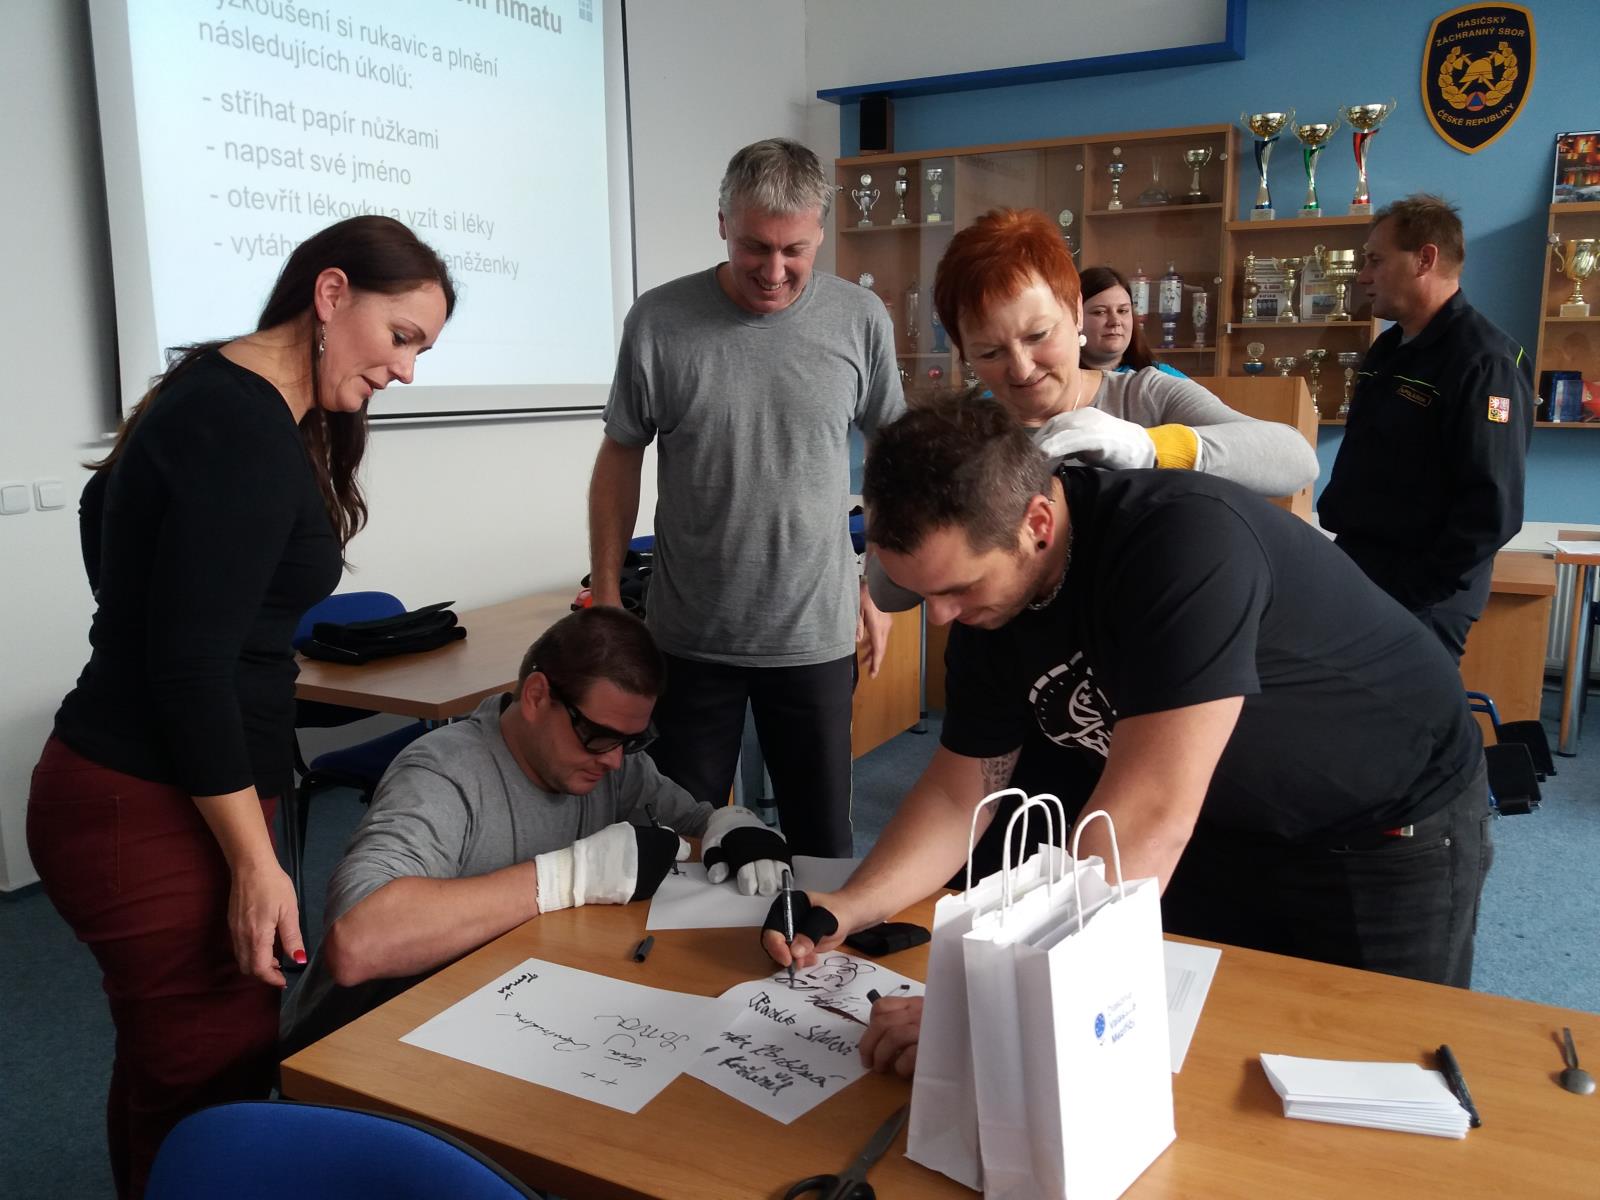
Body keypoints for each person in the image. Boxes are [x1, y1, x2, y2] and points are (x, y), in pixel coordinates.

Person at [771, 399, 1490, 1078]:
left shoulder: (1181, 543)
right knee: (1198, 1057)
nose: (940, 617)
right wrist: (853, 903)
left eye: (957, 588)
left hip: (1384, 820)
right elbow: (963, 791)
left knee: (1381, 1071)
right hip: (1229, 823)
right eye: (925, 594)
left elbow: (1145, 816)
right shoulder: (989, 607)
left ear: (1037, 523)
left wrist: (989, 1010)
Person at [27, 216, 455, 1197]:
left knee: (167, 1063)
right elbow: (189, 669)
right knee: (211, 1072)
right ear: (332, 293)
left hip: (144, 785)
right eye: (401, 337)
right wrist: (258, 864)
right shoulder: (243, 428)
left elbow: (109, 533)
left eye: (421, 352)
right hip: (147, 801)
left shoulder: (216, 394)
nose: (404, 371)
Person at [868, 208, 1321, 872]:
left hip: (1156, 703)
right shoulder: (972, 437)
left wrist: (1154, 447)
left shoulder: (1146, 396)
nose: (1021, 369)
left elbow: (1293, 458)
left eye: (1038, 336)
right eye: (990, 352)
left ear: (1075, 313)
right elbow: (891, 587)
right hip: (1041, 717)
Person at [586, 138, 904, 857]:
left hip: (815, 632)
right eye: (755, 246)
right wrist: (606, 594)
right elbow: (621, 451)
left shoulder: (860, 319)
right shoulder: (659, 321)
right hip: (689, 636)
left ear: (820, 231)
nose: (775, 270)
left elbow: (895, 453)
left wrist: (879, 582)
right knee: (681, 843)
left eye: (796, 250)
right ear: (723, 223)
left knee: (822, 844)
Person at [281, 608, 790, 1055]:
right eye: (598, 737)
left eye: (632, 741)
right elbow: (359, 944)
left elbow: (697, 827)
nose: (614, 760)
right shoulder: (442, 774)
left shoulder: (611, 762)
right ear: (536, 695)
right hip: (367, 1049)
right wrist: (567, 877)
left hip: (503, 1012)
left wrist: (732, 826)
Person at [1319, 194, 1534, 662]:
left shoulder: (1485, 361)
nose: (1362, 276)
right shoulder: (1389, 349)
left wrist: (1418, 591)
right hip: (1363, 566)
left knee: (1402, 704)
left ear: (1425, 259)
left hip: (1423, 593)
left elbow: (1491, 508)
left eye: (1375, 260)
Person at [1078, 264, 1186, 378]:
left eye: (1122, 311)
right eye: (1100, 312)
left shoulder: (1161, 377)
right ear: (1076, 318)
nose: (1115, 321)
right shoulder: (1066, 382)